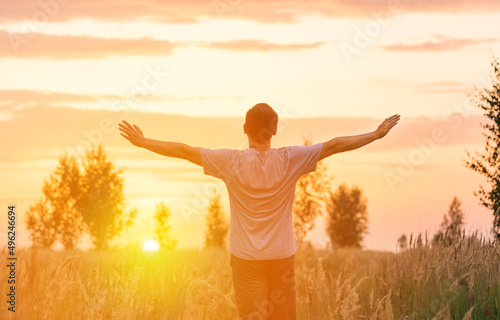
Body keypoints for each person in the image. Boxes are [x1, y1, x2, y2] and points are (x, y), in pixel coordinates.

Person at [118, 103, 400, 319]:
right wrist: (375, 135)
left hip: (246, 260)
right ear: (274, 130)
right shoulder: (291, 159)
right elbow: (336, 145)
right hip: (281, 258)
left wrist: (145, 142)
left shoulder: (229, 161)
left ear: (244, 129)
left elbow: (184, 150)